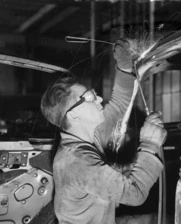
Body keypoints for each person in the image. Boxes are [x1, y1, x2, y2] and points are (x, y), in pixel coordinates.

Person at [40, 39, 167, 224]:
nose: (99, 98)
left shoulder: (87, 136)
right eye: (90, 97)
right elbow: (135, 194)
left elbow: (118, 105)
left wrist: (124, 68)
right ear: (74, 115)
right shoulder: (78, 162)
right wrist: (149, 145)